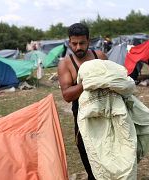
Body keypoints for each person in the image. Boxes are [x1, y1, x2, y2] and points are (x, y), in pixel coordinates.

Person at [57, 23, 107, 180]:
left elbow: (115, 81)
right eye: (74, 43)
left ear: (89, 41)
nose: (78, 47)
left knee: (110, 164)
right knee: (93, 169)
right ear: (69, 42)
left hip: (107, 117)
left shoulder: (100, 56)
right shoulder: (65, 63)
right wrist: (88, 82)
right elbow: (67, 95)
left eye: (82, 43)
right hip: (83, 122)